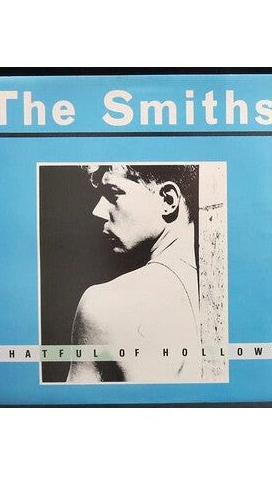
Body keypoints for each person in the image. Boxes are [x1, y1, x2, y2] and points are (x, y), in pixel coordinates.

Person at [66, 164, 202, 383]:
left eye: (112, 194)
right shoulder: (234, 293)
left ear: (167, 200)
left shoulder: (102, 304)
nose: (97, 211)